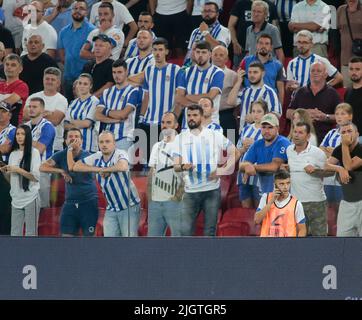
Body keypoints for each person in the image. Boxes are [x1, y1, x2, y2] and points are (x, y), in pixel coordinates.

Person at [173, 105, 239, 236]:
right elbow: (176, 165)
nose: (191, 118)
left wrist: (223, 170)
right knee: (185, 232)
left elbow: (235, 152)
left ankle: (208, 256)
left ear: (202, 117)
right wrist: (183, 167)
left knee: (209, 231)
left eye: (195, 115)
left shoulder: (214, 135)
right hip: (189, 191)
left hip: (211, 190)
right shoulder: (180, 138)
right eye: (189, 115)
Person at [72, 130, 141, 237]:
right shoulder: (96, 156)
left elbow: (123, 166)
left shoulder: (120, 153)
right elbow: (76, 166)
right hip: (112, 207)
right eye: (101, 142)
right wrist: (99, 169)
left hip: (129, 206)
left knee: (129, 241)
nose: (104, 144)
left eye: (108, 141)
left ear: (114, 144)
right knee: (109, 242)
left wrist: (107, 170)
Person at [39, 127, 99, 236]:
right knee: (66, 238)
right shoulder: (60, 155)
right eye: (70, 137)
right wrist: (61, 170)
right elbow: (42, 167)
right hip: (70, 202)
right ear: (65, 141)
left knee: (89, 238)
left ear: (81, 141)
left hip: (88, 201)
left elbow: (73, 167)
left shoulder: (88, 156)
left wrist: (70, 150)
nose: (73, 139)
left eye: (76, 137)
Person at [138, 37, 180, 163]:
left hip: (166, 123)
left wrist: (174, 118)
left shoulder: (175, 70)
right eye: (155, 50)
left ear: (166, 52)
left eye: (160, 50)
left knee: (167, 160)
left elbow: (179, 97)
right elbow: (146, 96)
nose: (157, 53)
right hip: (148, 121)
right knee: (149, 161)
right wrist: (141, 116)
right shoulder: (148, 70)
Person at [286, 122, 327, 236]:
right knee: (299, 241)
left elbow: (330, 173)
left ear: (308, 136)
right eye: (295, 132)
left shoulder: (317, 153)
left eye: (300, 132)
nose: (296, 135)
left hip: (316, 203)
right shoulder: (289, 150)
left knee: (319, 241)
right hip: (296, 203)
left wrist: (315, 171)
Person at [0, 125, 41, 236]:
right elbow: (11, 180)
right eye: (17, 134)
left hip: (30, 197)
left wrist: (17, 169)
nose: (19, 137)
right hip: (16, 198)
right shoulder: (13, 154)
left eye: (22, 134)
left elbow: (36, 177)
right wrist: (6, 171)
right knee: (15, 233)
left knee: (30, 233)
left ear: (27, 136)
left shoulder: (34, 152)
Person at [287, 61, 341, 144]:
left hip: (323, 139)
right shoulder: (300, 91)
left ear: (325, 75)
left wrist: (325, 117)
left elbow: (341, 116)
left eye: (319, 71)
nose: (315, 73)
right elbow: (288, 113)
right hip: (301, 136)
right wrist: (304, 114)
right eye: (312, 71)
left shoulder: (333, 93)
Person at [147, 112, 183, 236]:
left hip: (174, 201)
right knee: (152, 243)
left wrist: (177, 196)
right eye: (163, 122)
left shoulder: (183, 145)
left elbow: (186, 175)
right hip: (156, 202)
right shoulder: (156, 146)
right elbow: (152, 173)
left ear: (176, 125)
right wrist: (150, 199)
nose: (165, 125)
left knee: (178, 242)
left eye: (169, 122)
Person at [175, 41, 224, 129]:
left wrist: (188, 96)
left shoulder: (217, 73)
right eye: (198, 52)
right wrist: (197, 107)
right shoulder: (186, 72)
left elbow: (210, 96)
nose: (200, 55)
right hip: (188, 123)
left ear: (210, 54)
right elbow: (179, 98)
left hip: (210, 123)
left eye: (204, 52)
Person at [239, 113, 291, 196]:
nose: (266, 131)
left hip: (283, 193)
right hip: (265, 192)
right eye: (264, 127)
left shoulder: (282, 142)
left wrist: (252, 167)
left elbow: (274, 166)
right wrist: (245, 166)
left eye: (270, 127)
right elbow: (242, 165)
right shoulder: (257, 144)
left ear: (277, 128)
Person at [326, 122, 362, 236]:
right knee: (342, 238)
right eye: (343, 132)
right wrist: (338, 169)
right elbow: (325, 165)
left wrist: (345, 145)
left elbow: (349, 166)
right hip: (347, 202)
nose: (346, 134)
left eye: (349, 131)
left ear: (357, 134)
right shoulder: (338, 149)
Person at [95, 59, 138, 151]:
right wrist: (113, 120)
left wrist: (105, 110)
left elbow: (123, 114)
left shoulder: (133, 91)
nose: (116, 75)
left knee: (121, 165)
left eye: (119, 72)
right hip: (106, 138)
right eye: (114, 72)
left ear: (126, 72)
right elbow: (97, 115)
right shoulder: (106, 92)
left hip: (124, 137)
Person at [228, 61, 282, 133]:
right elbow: (230, 102)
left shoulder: (269, 92)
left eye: (255, 72)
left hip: (261, 134)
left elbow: (276, 114)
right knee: (230, 135)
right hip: (243, 133)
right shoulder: (245, 91)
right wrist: (239, 81)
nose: (252, 75)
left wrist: (256, 118)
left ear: (263, 74)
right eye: (250, 72)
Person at [58, 0, 96, 102]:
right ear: (71, 11)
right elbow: (61, 54)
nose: (77, 11)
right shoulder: (63, 31)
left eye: (81, 9)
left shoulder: (93, 31)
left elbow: (96, 53)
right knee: (68, 106)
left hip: (85, 78)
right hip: (68, 77)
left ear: (87, 12)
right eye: (75, 8)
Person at [25, 67, 67, 152]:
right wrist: (47, 113)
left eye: (53, 79)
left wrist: (36, 114)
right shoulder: (33, 97)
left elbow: (55, 120)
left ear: (58, 83)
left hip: (54, 146)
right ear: (43, 80)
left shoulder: (62, 99)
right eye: (47, 79)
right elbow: (25, 116)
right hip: (31, 142)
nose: (49, 81)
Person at [228, 0, 279, 69]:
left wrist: (279, 70)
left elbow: (279, 50)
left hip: (267, 58)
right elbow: (231, 25)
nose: (255, 14)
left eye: (259, 12)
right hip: (241, 49)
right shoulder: (240, 3)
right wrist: (234, 42)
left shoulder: (271, 6)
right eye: (254, 11)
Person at [255, 170, 307, 237]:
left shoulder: (296, 204)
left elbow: (302, 229)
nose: (286, 187)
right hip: (266, 244)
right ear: (275, 185)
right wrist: (270, 202)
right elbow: (257, 220)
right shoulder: (266, 198)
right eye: (282, 184)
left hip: (288, 245)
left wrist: (296, 245)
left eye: (288, 183)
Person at [320, 103, 353, 209]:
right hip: (328, 177)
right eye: (337, 114)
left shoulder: (353, 133)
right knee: (329, 208)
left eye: (343, 114)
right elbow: (321, 150)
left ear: (350, 116)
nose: (339, 116)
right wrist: (336, 153)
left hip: (344, 178)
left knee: (342, 207)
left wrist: (332, 151)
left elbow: (349, 155)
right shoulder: (331, 133)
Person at [236, 99, 267, 208]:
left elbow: (271, 155)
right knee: (246, 209)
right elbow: (237, 151)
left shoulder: (269, 131)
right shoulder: (246, 129)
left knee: (259, 210)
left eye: (259, 111)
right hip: (243, 174)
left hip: (260, 175)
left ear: (265, 113)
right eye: (253, 111)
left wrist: (255, 145)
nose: (256, 114)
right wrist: (243, 148)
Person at [25, 97, 56, 208]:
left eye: (35, 107)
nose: (31, 109)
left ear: (42, 109)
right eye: (30, 106)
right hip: (26, 168)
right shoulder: (25, 126)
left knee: (42, 205)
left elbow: (39, 149)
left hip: (42, 169)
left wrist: (25, 140)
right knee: (27, 204)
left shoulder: (48, 127)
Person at [241, 34, 285, 104]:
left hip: (269, 102)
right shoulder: (246, 61)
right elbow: (239, 82)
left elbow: (281, 89)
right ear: (256, 46)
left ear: (271, 47)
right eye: (261, 43)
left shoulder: (278, 65)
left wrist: (280, 108)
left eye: (267, 44)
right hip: (249, 101)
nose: (263, 46)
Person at [184, 2, 230, 66]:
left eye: (210, 11)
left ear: (217, 14)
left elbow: (219, 49)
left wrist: (205, 33)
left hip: (214, 68)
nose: (207, 14)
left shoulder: (224, 30)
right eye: (204, 11)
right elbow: (189, 53)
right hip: (195, 68)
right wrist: (184, 67)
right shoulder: (195, 31)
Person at [64, 73, 99, 153]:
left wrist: (72, 122)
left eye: (85, 84)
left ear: (90, 86)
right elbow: (65, 125)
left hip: (88, 147)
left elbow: (87, 123)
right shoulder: (73, 102)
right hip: (72, 147)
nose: (82, 86)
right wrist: (80, 123)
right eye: (80, 83)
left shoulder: (95, 101)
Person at [211, 45, 238, 134]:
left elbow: (238, 97)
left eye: (221, 55)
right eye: (215, 55)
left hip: (227, 116)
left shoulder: (233, 75)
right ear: (211, 56)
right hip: (208, 116)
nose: (218, 57)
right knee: (212, 143)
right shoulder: (204, 74)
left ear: (226, 59)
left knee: (232, 142)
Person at [337, 0, 362, 87]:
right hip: (346, 59)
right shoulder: (341, 10)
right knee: (347, 89)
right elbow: (340, 29)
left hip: (361, 58)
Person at [0, 101, 16, 235]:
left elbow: (5, 149)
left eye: (4, 111)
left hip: (4, 171)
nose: (0, 114)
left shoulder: (13, 131)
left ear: (10, 115)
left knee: (4, 205)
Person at [0, 54, 29, 127]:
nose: (9, 67)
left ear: (20, 69)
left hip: (13, 128)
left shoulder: (22, 86)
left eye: (13, 65)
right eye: (7, 64)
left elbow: (5, 104)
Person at [345, 56, 362, 141]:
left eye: (357, 69)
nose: (354, 72)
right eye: (351, 69)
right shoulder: (348, 91)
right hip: (350, 136)